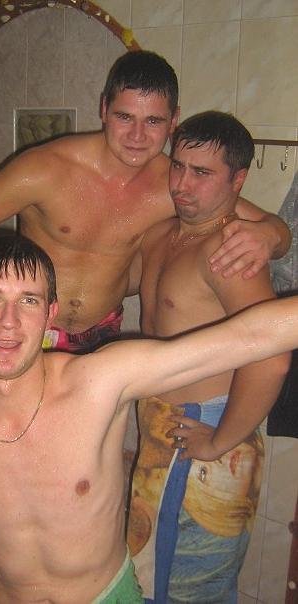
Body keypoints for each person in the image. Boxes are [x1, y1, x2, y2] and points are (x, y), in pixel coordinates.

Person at [0, 232, 298, 603]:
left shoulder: (99, 383)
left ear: (50, 315)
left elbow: (249, 335)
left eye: (28, 301)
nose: (9, 321)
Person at [0, 51, 290, 354]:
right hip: (32, 330)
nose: (137, 135)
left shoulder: (174, 182)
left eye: (153, 121)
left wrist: (270, 235)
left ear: (173, 122)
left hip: (104, 334)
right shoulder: (46, 169)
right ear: (104, 108)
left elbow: (275, 230)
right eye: (124, 117)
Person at [126, 111, 291, 603]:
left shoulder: (230, 251)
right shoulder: (161, 235)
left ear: (238, 180)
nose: (181, 184)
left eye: (202, 173)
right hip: (164, 428)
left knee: (193, 592)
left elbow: (272, 360)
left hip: (207, 431)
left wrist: (219, 441)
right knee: (151, 580)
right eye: (177, 166)